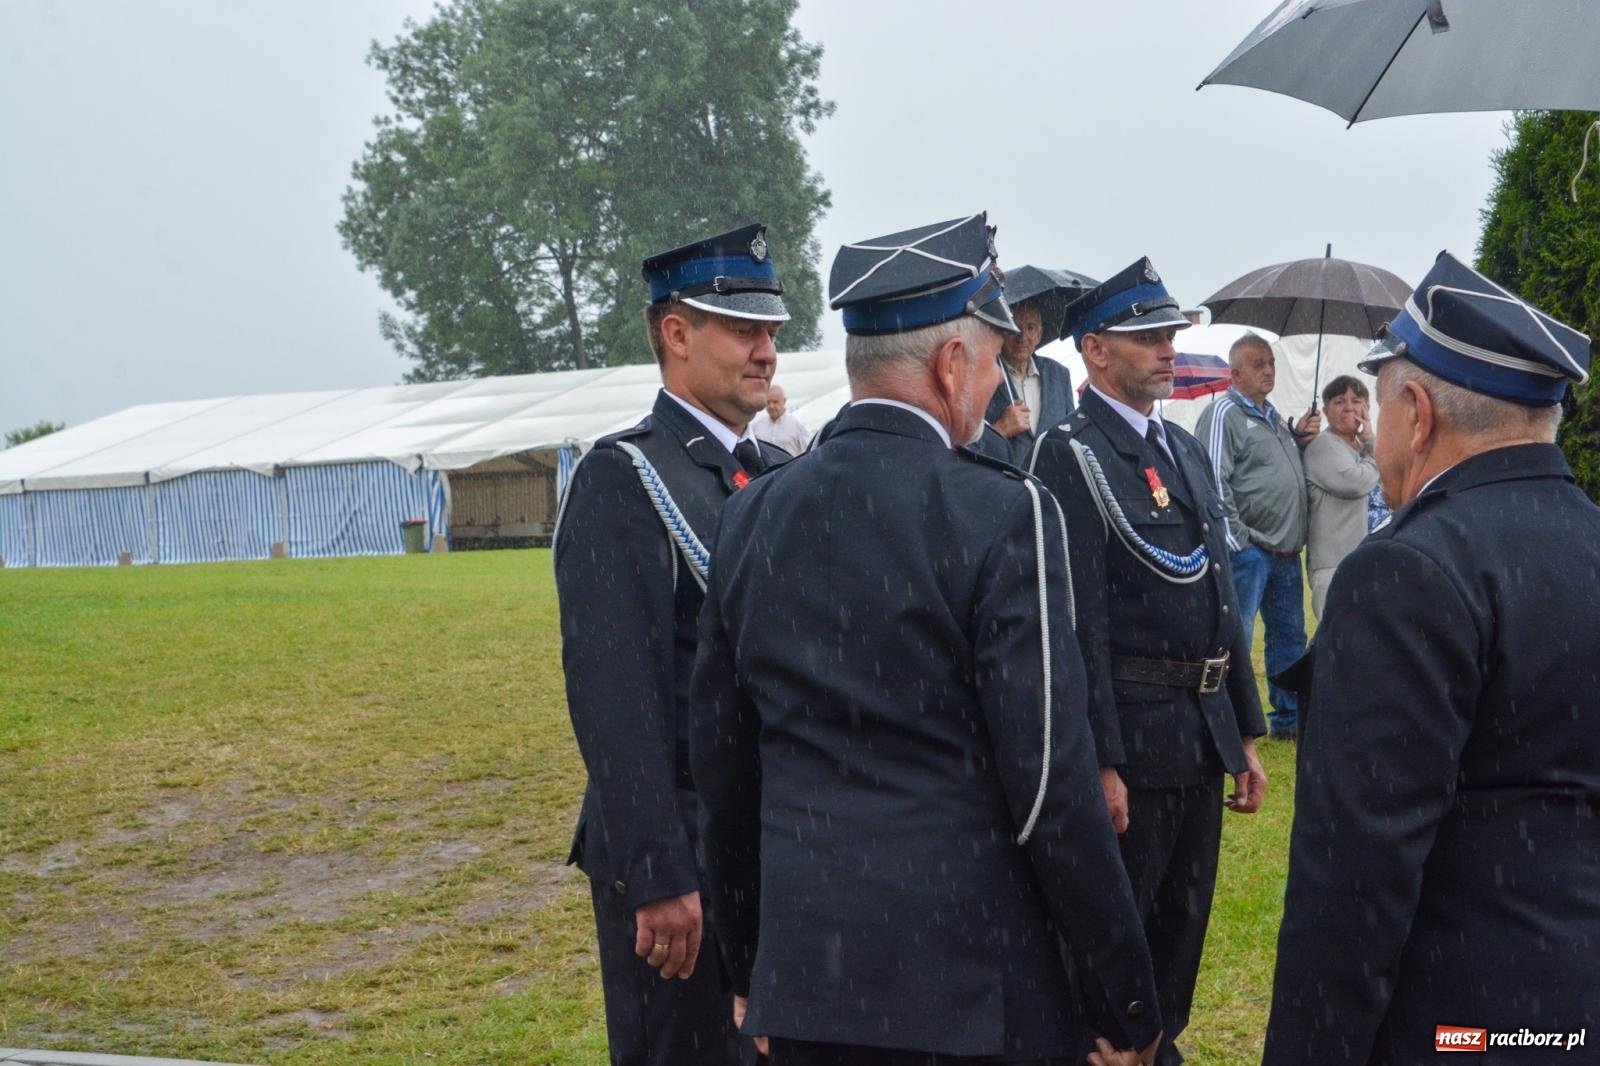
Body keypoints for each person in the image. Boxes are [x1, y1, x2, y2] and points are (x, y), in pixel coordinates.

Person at [690, 213, 1164, 1066]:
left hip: (812, 982)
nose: (1000, 390)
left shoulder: (752, 513)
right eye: (993, 364)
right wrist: (1124, 994)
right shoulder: (1002, 512)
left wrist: (755, 960)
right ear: (950, 364)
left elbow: (725, 767)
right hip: (971, 983)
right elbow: (1050, 787)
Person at [1264, 251, 1600, 1065]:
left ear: (1415, 413)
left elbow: (1353, 880)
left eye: (1380, 403)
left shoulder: (1405, 571)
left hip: (1462, 1018)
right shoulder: (1586, 538)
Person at [553, 223, 795, 1066]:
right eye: (744, 330)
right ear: (678, 333)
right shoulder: (625, 476)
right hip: (683, 841)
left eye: (772, 331)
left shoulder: (769, 476)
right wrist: (658, 871)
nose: (766, 351)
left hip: (766, 833)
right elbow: (615, 695)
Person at [1028, 257, 1268, 1066]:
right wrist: (1099, 759)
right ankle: (1110, 1044)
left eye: (1170, 333)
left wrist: (1244, 732)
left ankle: (1159, 1042)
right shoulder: (1070, 452)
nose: (1168, 348)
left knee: (1181, 922)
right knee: (1118, 925)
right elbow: (1077, 623)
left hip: (1199, 731)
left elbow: (1220, 597)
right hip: (1133, 734)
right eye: (1148, 338)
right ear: (1095, 351)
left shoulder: (1182, 446)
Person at [1193, 334, 1320, 739]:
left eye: (1271, 363)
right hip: (1249, 551)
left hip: (1285, 552)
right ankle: (1229, 719)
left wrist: (1298, 439)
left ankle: (1288, 718)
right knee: (1238, 637)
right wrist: (1238, 542)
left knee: (1289, 637)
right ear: (1235, 374)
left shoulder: (1273, 416)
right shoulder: (1223, 414)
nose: (1268, 370)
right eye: (1258, 364)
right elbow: (1212, 478)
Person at [980, 267, 1078, 467]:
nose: (1023, 337)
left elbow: (1073, 434)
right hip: (1003, 481)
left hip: (1052, 481)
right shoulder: (982, 373)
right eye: (1015, 327)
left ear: (1040, 334)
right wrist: (999, 430)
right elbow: (965, 445)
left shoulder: (1059, 375)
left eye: (1030, 328)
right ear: (1002, 331)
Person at [1301, 374, 1379, 617]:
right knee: (1339, 636)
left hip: (1364, 561)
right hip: (1333, 566)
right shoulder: (1324, 446)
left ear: (1367, 408)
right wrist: (1374, 456)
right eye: (1339, 401)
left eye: (1356, 401)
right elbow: (1354, 483)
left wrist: (1369, 441)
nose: (1348, 407)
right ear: (1325, 411)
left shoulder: (1362, 447)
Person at [751, 383, 811, 454]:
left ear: (784, 401)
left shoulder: (798, 424)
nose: (771, 406)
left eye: (775, 402)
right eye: (768, 402)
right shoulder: (757, 427)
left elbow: (809, 451)